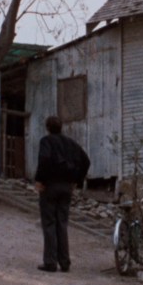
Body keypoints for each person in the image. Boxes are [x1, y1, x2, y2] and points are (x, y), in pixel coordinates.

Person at [33, 115, 90, 273]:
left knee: (49, 223)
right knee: (62, 223)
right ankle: (65, 263)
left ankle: (50, 262)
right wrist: (76, 180)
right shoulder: (70, 143)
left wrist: (40, 180)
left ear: (47, 127)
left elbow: (44, 160)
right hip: (66, 187)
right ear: (61, 127)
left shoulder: (46, 141)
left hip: (50, 186)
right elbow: (86, 161)